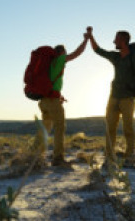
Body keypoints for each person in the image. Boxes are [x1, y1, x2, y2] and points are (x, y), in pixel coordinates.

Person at [87, 27, 135, 165]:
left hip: (128, 99)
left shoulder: (134, 58)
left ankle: (130, 155)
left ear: (123, 41)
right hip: (113, 97)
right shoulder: (115, 57)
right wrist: (91, 37)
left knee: (128, 128)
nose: (114, 41)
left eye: (116, 38)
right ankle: (109, 157)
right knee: (110, 129)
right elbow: (98, 50)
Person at [39, 33, 89, 167]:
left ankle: (36, 156)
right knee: (60, 128)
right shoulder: (59, 59)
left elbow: (50, 83)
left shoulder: (48, 64)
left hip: (43, 100)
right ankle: (58, 158)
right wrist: (85, 40)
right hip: (52, 101)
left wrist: (59, 95)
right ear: (61, 52)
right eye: (64, 53)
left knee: (45, 128)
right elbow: (76, 53)